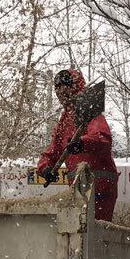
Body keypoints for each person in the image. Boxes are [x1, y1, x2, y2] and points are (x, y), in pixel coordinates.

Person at [37, 69, 118, 221]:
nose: (61, 91)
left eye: (64, 85)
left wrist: (82, 143)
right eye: (57, 87)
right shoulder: (64, 122)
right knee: (80, 235)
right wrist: (45, 168)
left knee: (93, 235)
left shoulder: (89, 111)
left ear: (74, 86)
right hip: (78, 189)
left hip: (100, 186)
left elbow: (103, 138)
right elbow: (52, 152)